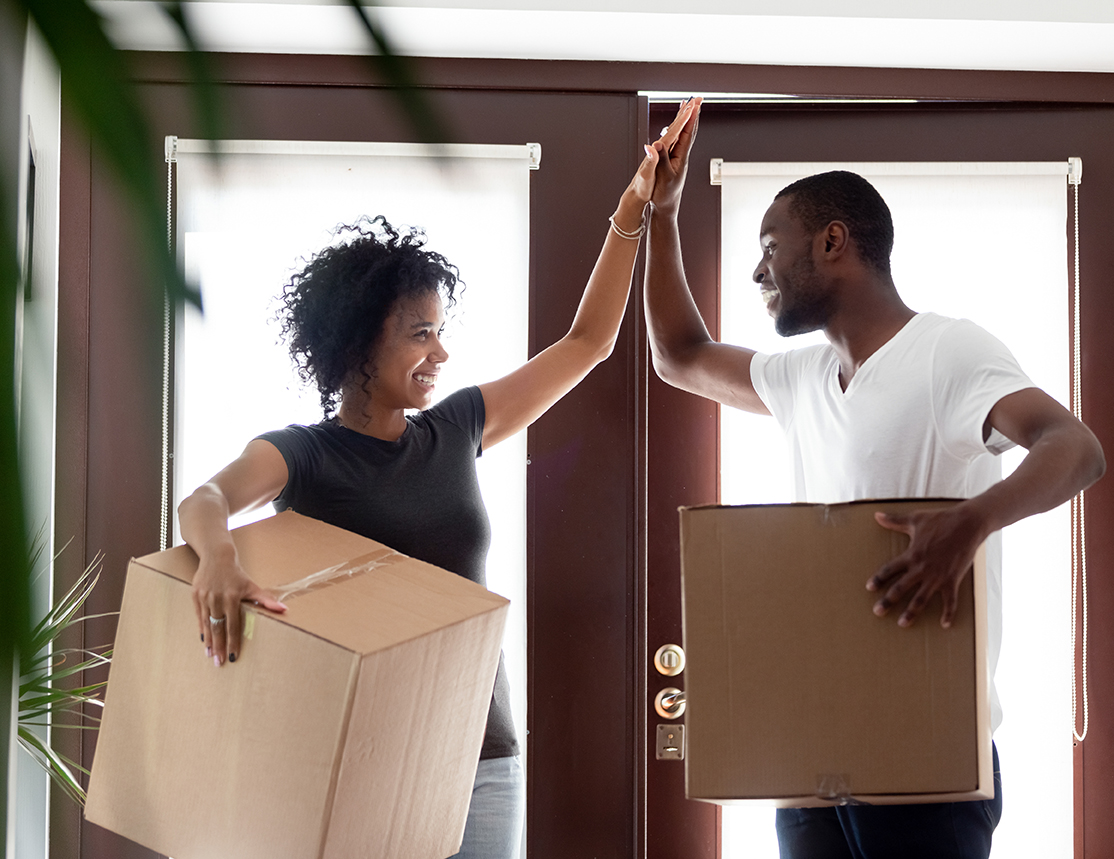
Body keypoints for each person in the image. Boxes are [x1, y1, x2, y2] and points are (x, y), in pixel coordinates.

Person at [177, 99, 698, 859]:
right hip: (354, 753)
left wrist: (634, 209)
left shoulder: (456, 428)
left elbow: (588, 342)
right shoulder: (306, 454)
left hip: (482, 758)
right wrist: (218, 558)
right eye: (421, 332)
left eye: (441, 330)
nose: (441, 352)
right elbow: (206, 499)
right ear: (357, 343)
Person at [643, 101, 1105, 858]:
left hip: (928, 756)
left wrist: (972, 519)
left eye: (771, 246)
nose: (759, 269)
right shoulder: (803, 378)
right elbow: (679, 354)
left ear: (833, 242)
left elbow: (1074, 445)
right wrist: (661, 213)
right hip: (813, 758)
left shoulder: (948, 352)